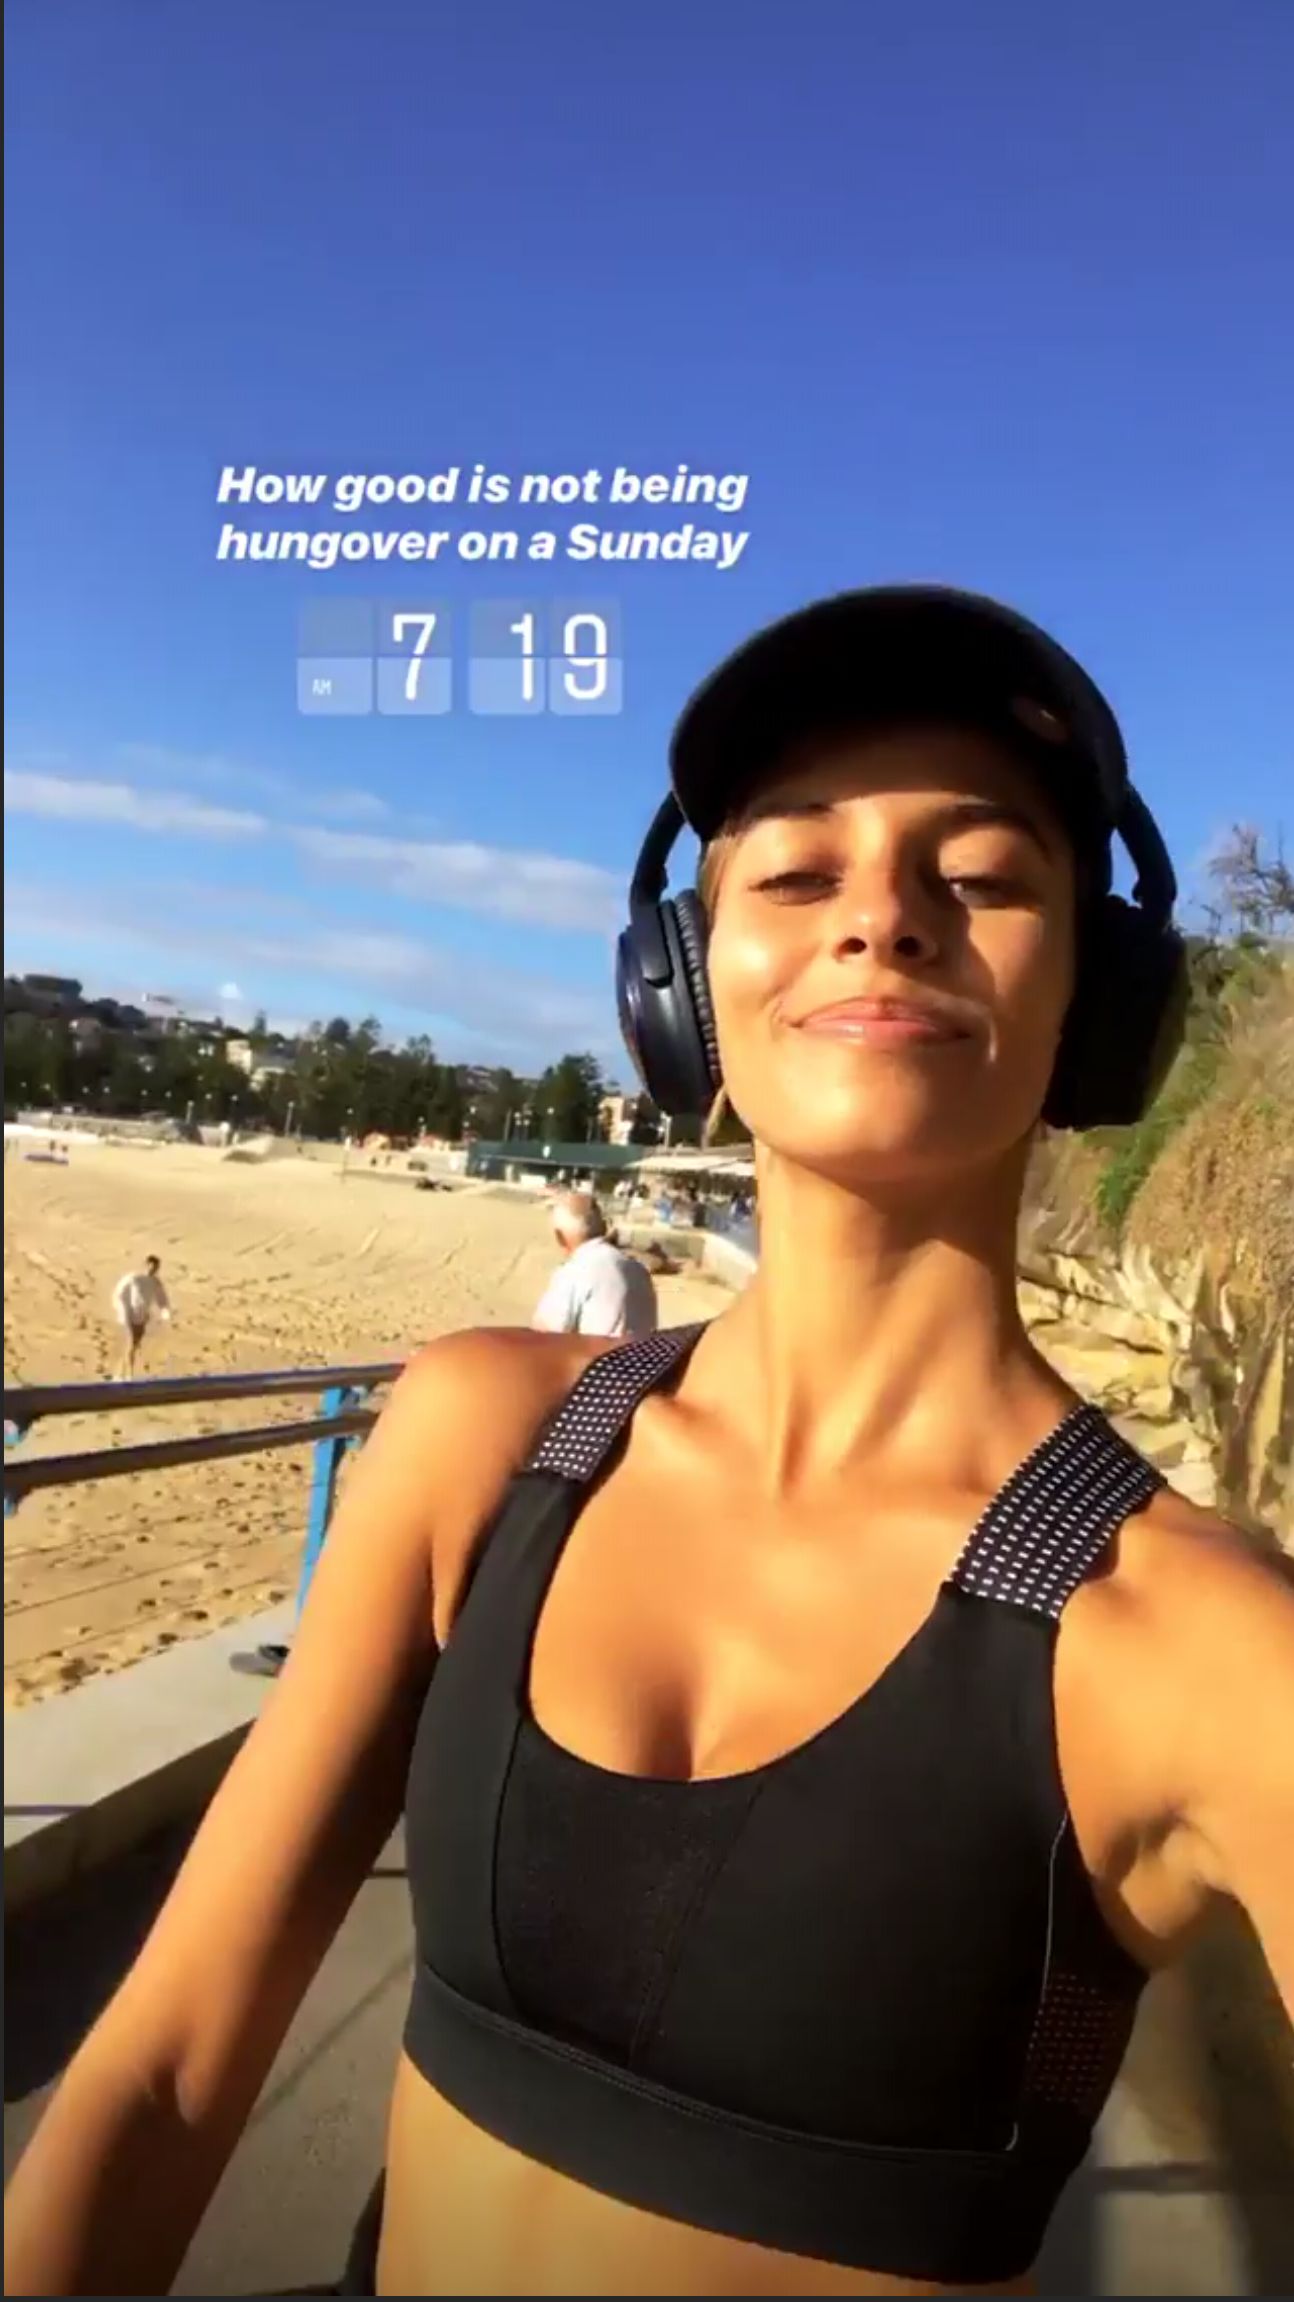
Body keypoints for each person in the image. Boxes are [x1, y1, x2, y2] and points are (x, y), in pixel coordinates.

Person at [6, 587, 1292, 2301]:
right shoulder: (480, 1435)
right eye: (795, 874)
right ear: (682, 991)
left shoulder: (1203, 1645)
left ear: (1101, 1002)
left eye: (979, 876)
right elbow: (165, 2067)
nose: (880, 919)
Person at [531, 1188, 658, 1340]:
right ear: (603, 1228)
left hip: (599, 1354)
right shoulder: (639, 1271)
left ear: (560, 1237)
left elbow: (543, 1337)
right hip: (640, 1354)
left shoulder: (574, 1272)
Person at [109, 1254, 172, 1380]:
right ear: (146, 1265)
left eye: (156, 1268)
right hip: (129, 1316)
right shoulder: (133, 1278)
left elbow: (162, 1299)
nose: (153, 1270)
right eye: (151, 1266)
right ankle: (129, 1375)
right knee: (131, 1343)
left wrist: (165, 1311)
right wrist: (123, 1312)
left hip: (142, 1318)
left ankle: (119, 1373)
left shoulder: (155, 1283)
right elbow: (120, 1294)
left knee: (133, 1345)